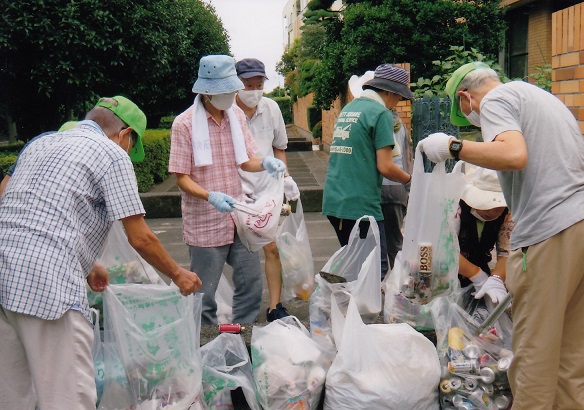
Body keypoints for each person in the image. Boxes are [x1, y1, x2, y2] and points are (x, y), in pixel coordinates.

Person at [0, 96, 202, 409]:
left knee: (11, 395)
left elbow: (14, 202)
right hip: (47, 286)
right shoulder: (110, 154)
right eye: (130, 146)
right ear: (125, 134)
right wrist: (178, 274)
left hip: (5, 271)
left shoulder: (40, 144)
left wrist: (87, 262)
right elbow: (140, 238)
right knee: (69, 396)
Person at [418, 61, 584, 409]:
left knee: (534, 347)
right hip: (579, 224)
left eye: (467, 114)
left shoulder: (495, 99)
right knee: (571, 349)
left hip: (550, 231)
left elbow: (513, 154)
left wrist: (453, 146)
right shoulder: (544, 99)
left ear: (465, 97)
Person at [169, 54, 286, 325]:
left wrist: (268, 163)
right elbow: (181, 177)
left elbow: (246, 159)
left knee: (251, 281)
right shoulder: (184, 124)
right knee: (204, 292)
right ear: (208, 92)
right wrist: (209, 196)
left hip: (237, 217)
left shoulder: (235, 116)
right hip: (205, 222)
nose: (232, 96)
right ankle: (208, 344)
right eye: (227, 91)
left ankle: (242, 334)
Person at [322, 64, 413, 280]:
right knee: (374, 271)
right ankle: (361, 313)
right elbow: (386, 166)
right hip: (361, 206)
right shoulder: (380, 113)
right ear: (390, 92)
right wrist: (411, 181)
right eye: (399, 97)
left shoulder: (350, 109)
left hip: (335, 201)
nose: (397, 103)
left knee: (354, 268)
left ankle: (347, 311)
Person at [235, 57, 300, 322]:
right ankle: (242, 310)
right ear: (236, 84)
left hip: (268, 189)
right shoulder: (228, 112)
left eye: (258, 84)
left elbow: (279, 148)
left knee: (272, 248)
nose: (253, 90)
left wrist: (285, 178)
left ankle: (275, 306)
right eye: (247, 85)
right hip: (237, 190)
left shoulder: (271, 108)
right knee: (242, 253)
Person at [454, 164, 513, 304]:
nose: (492, 211)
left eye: (498, 206)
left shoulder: (508, 215)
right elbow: (444, 250)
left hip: (481, 270)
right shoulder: (456, 207)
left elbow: (506, 251)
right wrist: (476, 275)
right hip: (448, 273)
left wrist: (496, 279)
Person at [381, 110, 412, 270]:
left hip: (378, 187)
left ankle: (377, 283)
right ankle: (399, 282)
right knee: (395, 242)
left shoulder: (375, 124)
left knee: (376, 242)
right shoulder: (401, 126)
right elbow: (407, 157)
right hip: (398, 186)